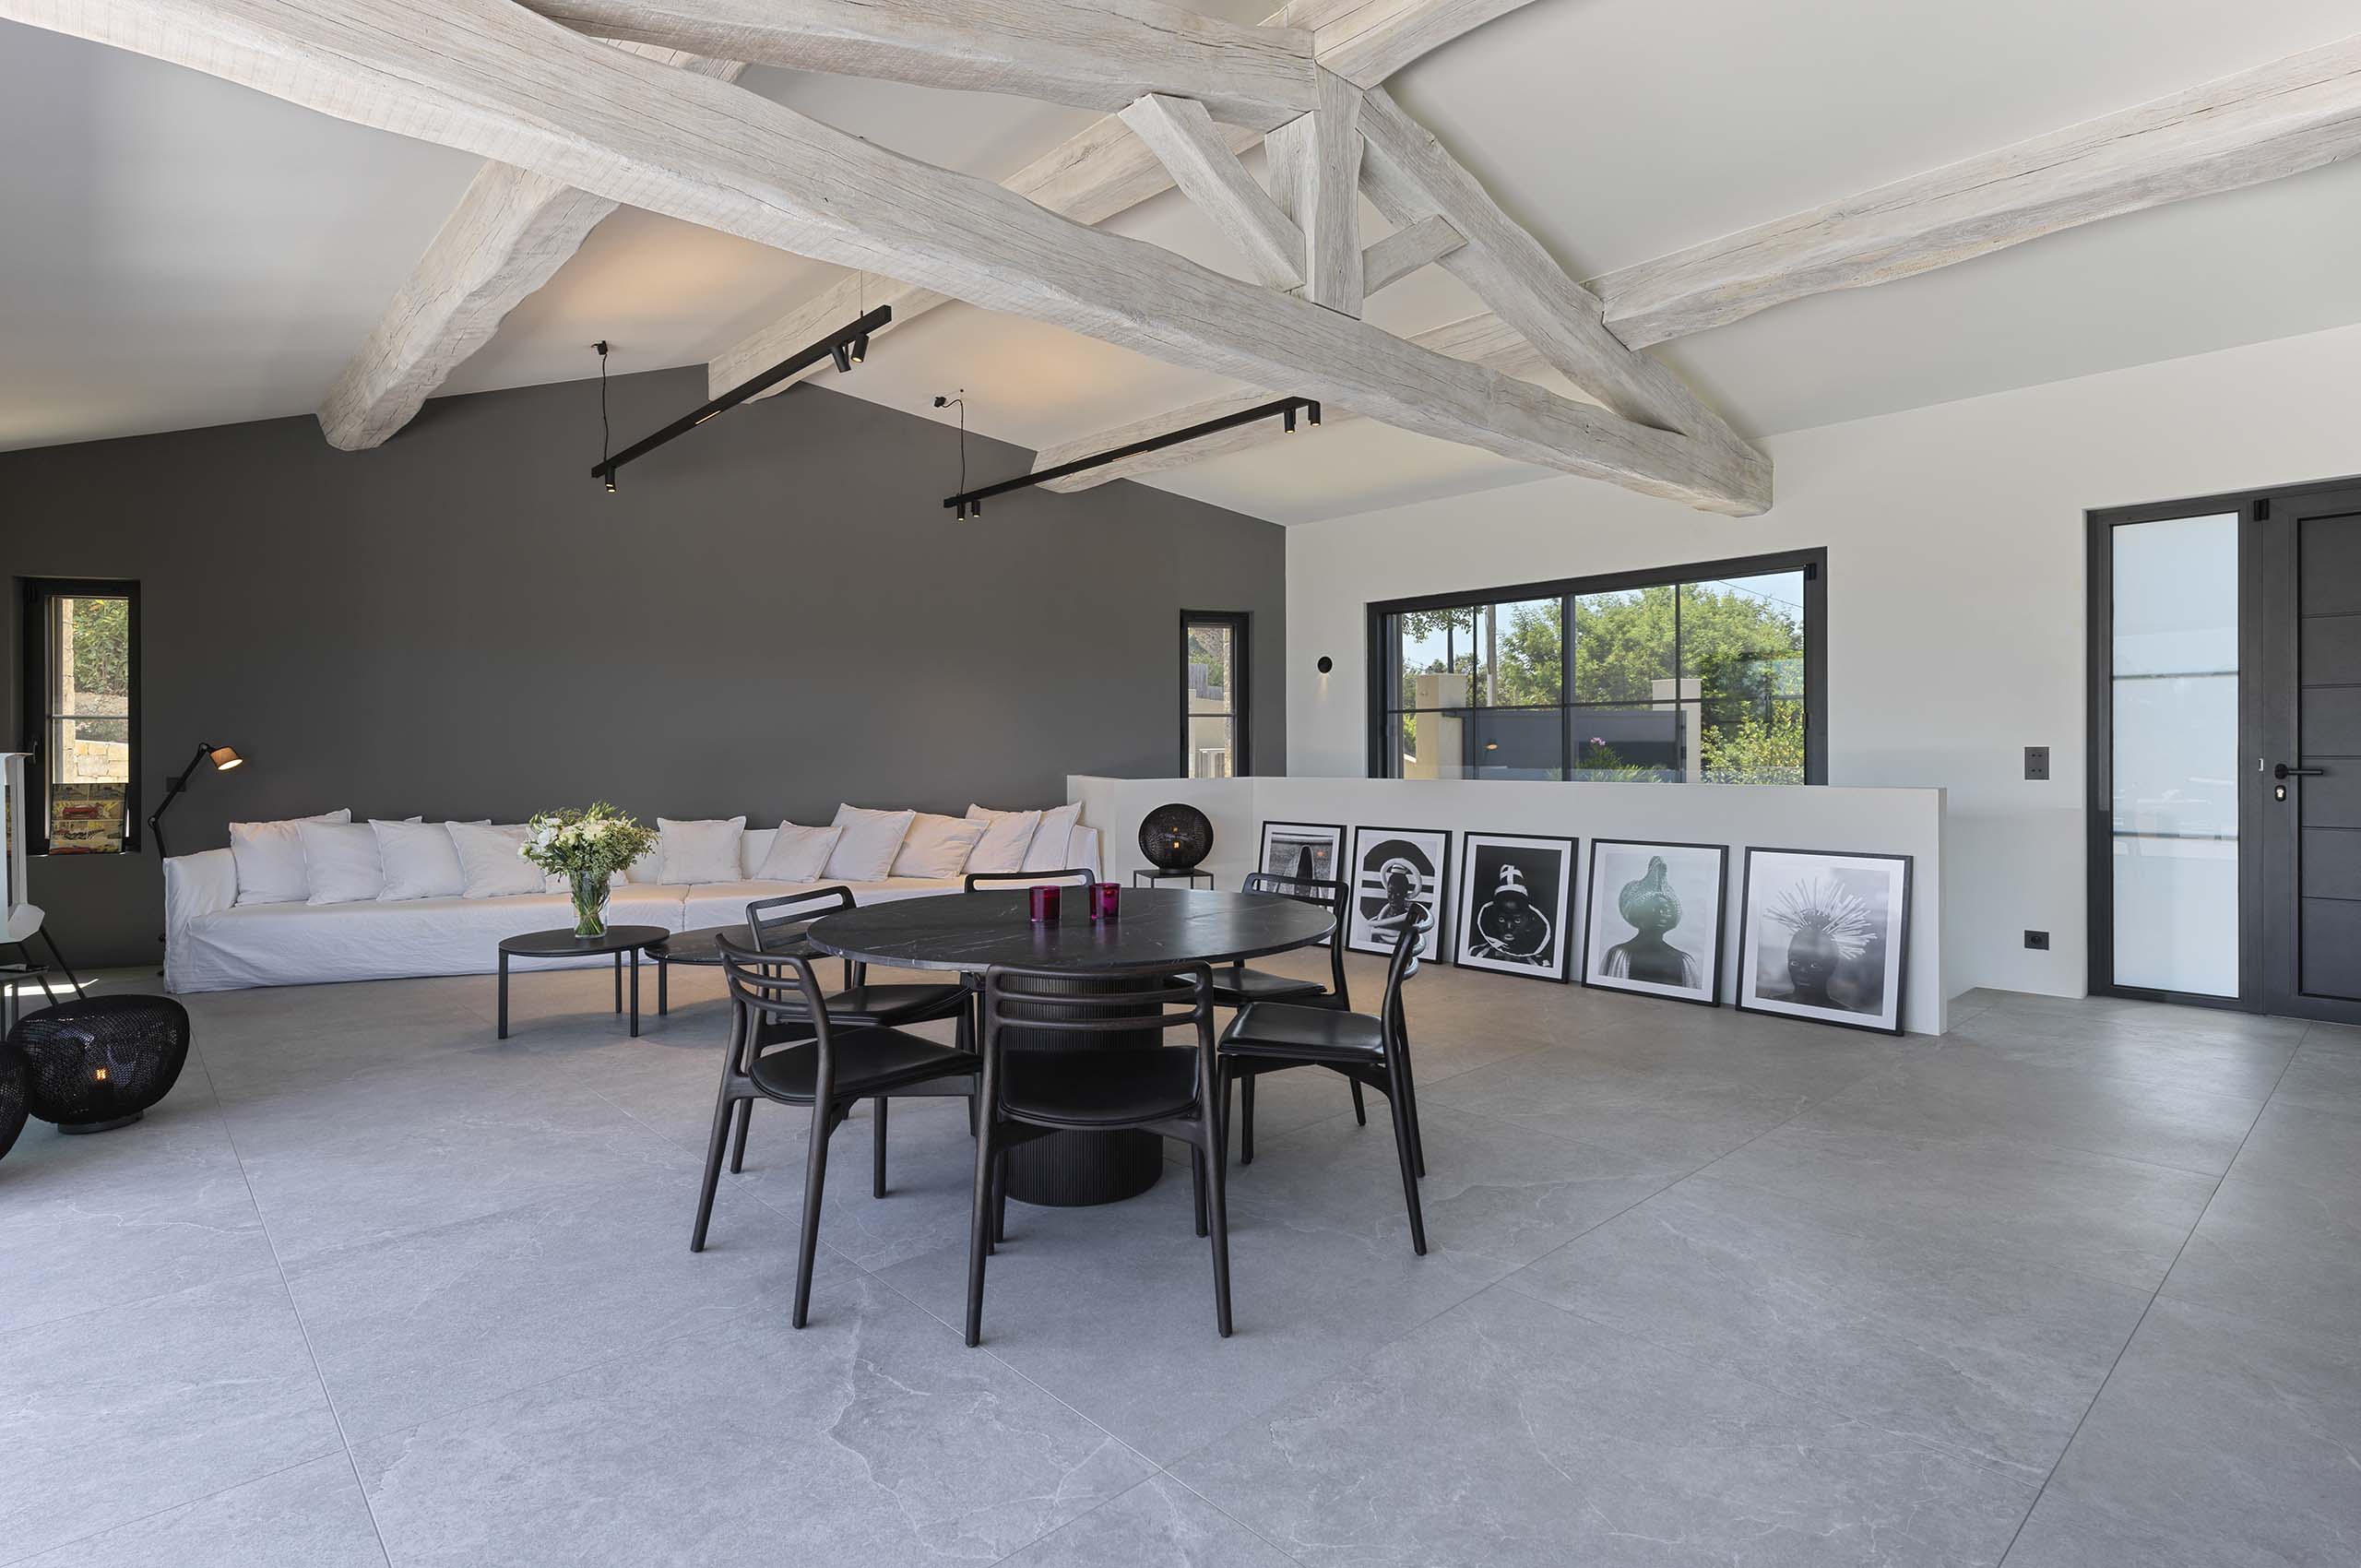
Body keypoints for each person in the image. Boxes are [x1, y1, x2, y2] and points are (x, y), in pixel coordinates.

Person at [1601, 856, 1701, 988]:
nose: (1662, 913)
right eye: (1656, 908)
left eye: (1667, 908)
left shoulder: (1684, 961)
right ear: (1639, 913)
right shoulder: (1618, 954)